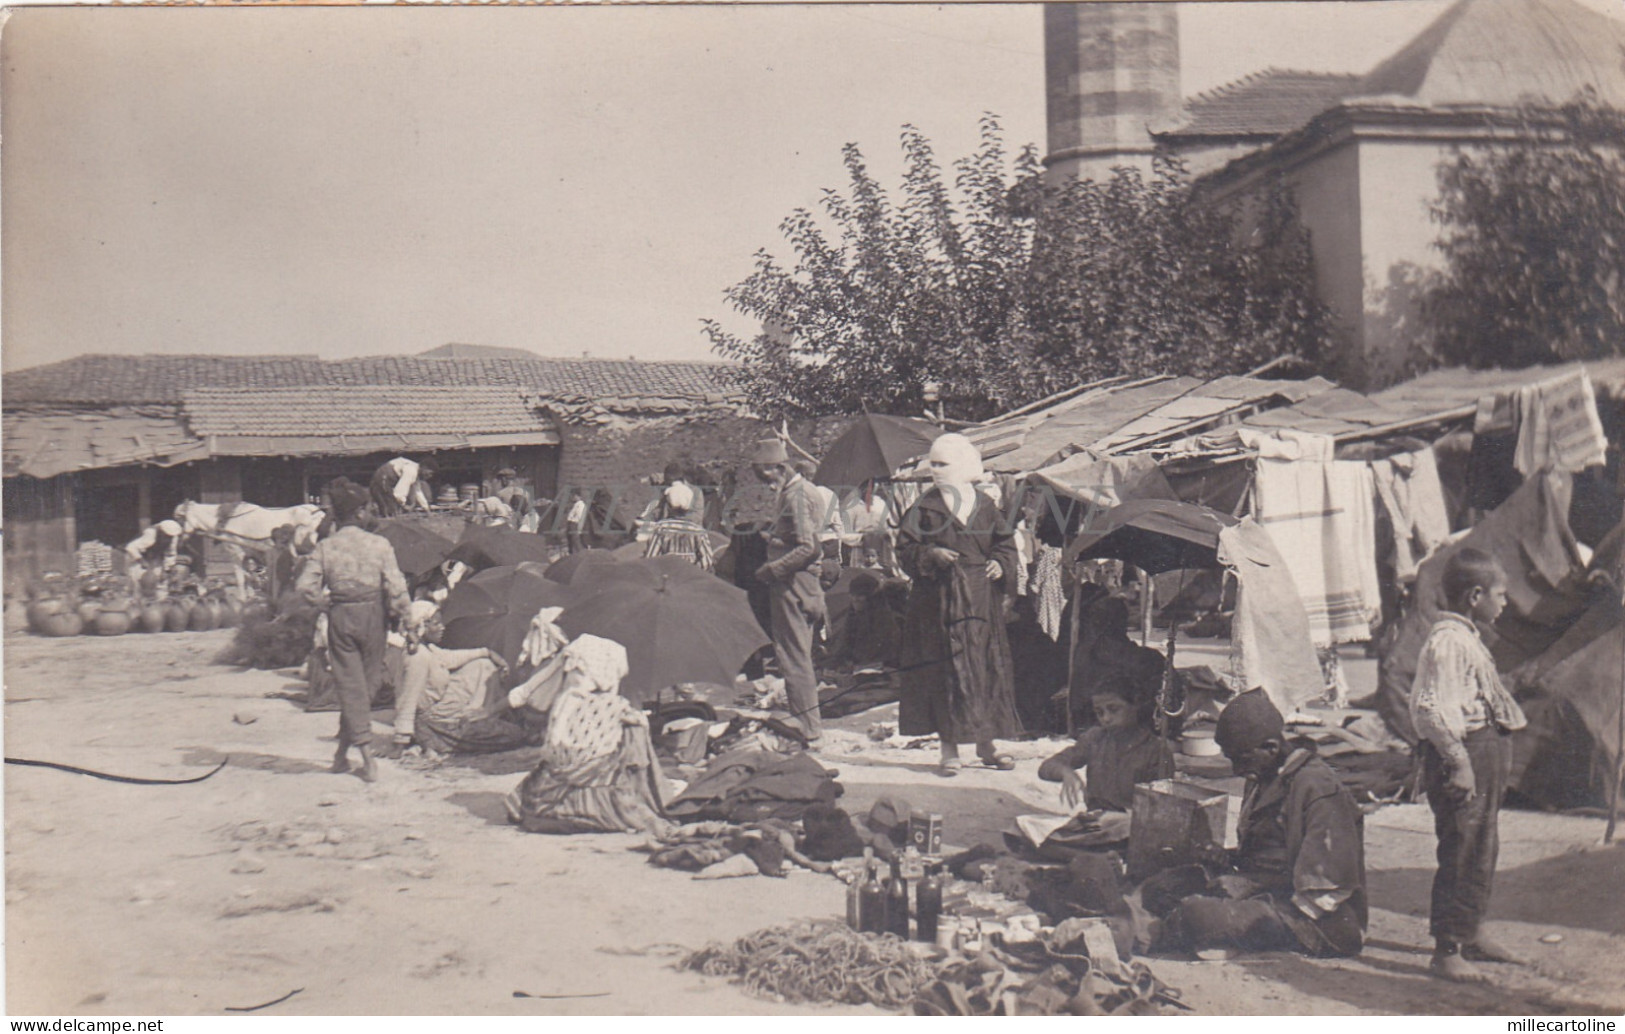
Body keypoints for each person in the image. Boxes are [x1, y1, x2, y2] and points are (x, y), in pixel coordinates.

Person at [1159, 690, 1367, 959]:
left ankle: (1175, 931)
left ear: (1271, 747)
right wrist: (1228, 859)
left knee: (1196, 914)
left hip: (1318, 921)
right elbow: (1267, 852)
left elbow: (1327, 886)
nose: (1235, 770)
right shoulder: (1262, 776)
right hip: (1265, 894)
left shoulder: (1317, 787)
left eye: (1240, 759)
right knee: (1163, 885)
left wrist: (1250, 892)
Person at [1410, 547, 1527, 982]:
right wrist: (1459, 763)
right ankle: (1447, 950)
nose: (1505, 602)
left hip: (1484, 750)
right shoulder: (1449, 644)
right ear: (1476, 595)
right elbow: (1431, 711)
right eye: (1501, 594)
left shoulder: (1467, 638)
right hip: (1464, 754)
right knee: (1461, 848)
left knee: (1482, 846)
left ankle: (1470, 930)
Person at [896, 433, 1022, 776]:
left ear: (963, 466)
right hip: (938, 604)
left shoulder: (984, 505)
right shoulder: (924, 507)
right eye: (932, 464)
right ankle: (948, 751)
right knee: (945, 674)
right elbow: (904, 550)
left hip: (980, 603)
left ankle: (986, 746)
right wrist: (930, 554)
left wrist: (1000, 562)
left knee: (984, 671)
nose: (935, 470)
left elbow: (1006, 544)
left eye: (942, 464)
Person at [295, 479, 411, 781]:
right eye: (368, 508)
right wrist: (409, 623)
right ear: (359, 513)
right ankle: (366, 756)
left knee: (351, 686)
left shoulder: (325, 547)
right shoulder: (379, 544)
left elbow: (304, 586)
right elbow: (397, 588)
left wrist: (322, 603)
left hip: (341, 617)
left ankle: (340, 754)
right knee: (366, 686)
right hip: (374, 617)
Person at [504, 635, 673, 836]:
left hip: (558, 756)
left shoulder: (566, 696)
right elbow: (623, 710)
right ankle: (634, 791)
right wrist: (633, 717)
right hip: (592, 764)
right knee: (633, 732)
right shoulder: (609, 703)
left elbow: (540, 681)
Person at [751, 438, 827, 744]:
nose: (766, 484)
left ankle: (808, 727)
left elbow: (808, 546)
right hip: (804, 582)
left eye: (766, 476)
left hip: (793, 583)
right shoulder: (803, 490)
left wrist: (773, 569)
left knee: (792, 656)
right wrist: (775, 537)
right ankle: (808, 722)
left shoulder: (795, 495)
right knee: (800, 654)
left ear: (778, 468)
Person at [1038, 680, 1174, 841]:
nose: (1106, 718)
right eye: (1099, 712)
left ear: (1135, 705)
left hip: (1132, 827)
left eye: (1114, 709)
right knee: (1026, 827)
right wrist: (1066, 773)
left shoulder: (1155, 750)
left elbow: (1162, 809)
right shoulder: (1095, 738)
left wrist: (1123, 818)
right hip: (1094, 825)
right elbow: (1047, 767)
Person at [1070, 596, 1167, 731]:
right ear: (1122, 621)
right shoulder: (1113, 650)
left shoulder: (1083, 649)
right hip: (1114, 720)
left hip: (1087, 719)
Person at [643, 479, 716, 570]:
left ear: (669, 506)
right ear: (688, 507)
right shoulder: (698, 531)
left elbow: (651, 558)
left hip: (667, 576)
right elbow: (707, 562)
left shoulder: (661, 528)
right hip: (690, 578)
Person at [124, 519, 185, 597]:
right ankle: (135, 600)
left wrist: (167, 569)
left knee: (160, 579)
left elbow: (170, 554)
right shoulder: (151, 533)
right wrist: (141, 561)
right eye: (166, 536)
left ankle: (161, 600)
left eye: (170, 537)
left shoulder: (173, 537)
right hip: (137, 556)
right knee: (137, 580)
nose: (168, 539)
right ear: (161, 531)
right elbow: (131, 547)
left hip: (155, 556)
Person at [370, 456, 436, 517]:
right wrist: (403, 505)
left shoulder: (415, 473)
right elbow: (399, 492)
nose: (429, 476)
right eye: (429, 473)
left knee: (392, 510)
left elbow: (417, 491)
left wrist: (426, 509)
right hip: (382, 478)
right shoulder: (411, 471)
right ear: (424, 467)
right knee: (390, 510)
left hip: (387, 480)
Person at [565, 489, 589, 554]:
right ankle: (572, 554)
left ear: (579, 496)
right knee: (571, 542)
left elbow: (580, 517)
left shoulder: (581, 505)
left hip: (574, 525)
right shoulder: (576, 505)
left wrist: (579, 529)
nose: (573, 497)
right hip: (571, 524)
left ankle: (580, 554)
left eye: (575, 496)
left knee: (576, 542)